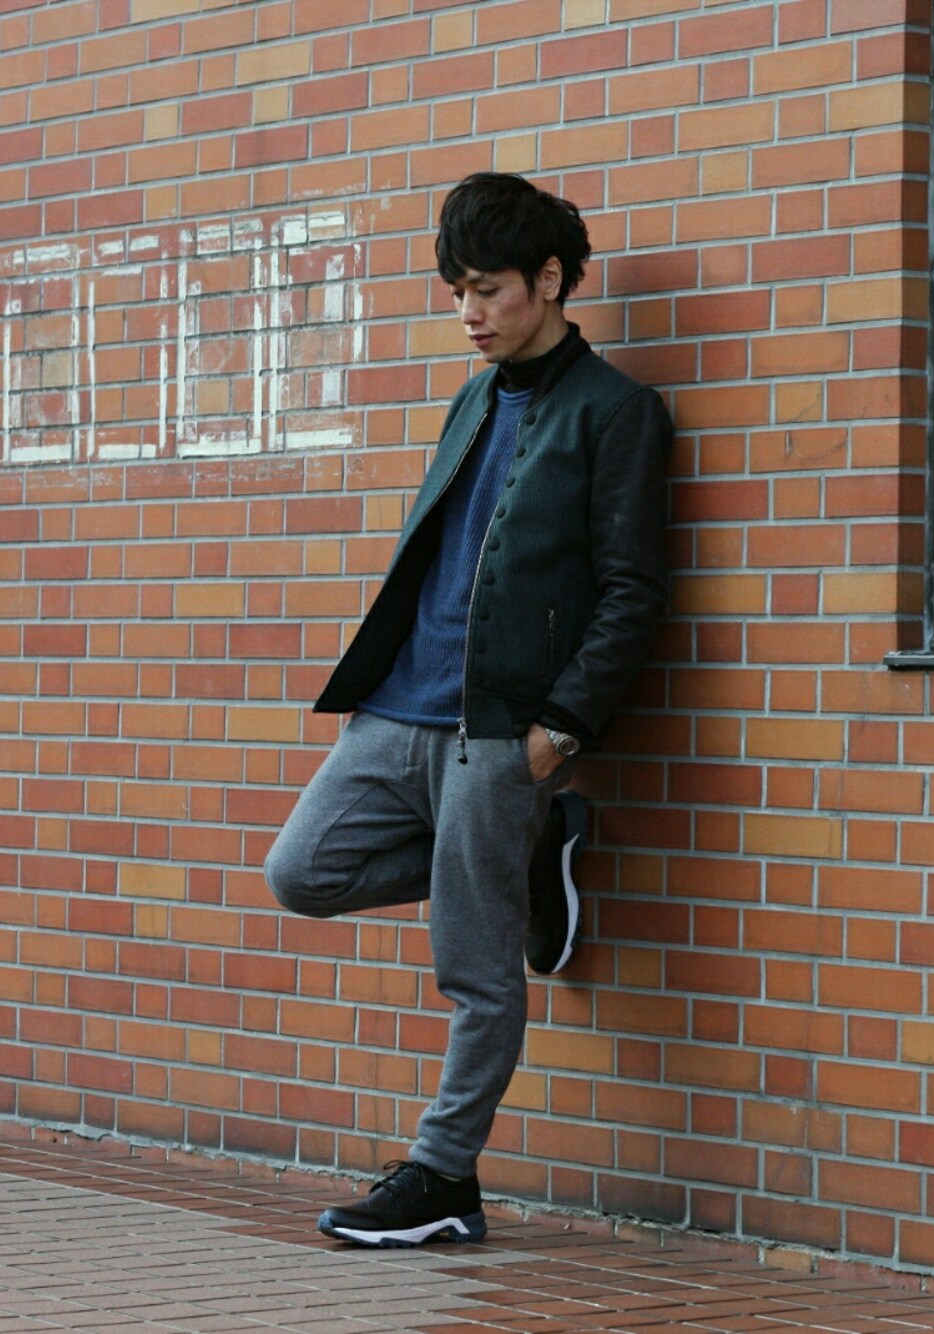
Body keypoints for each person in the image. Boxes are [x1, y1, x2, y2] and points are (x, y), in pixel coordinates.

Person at [264, 172, 672, 1248]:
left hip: (498, 732)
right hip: (398, 710)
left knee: (475, 967)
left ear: (550, 280)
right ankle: (532, 857)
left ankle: (445, 1178)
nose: (469, 313)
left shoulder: (616, 414)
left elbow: (633, 593)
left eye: (488, 289)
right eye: (457, 292)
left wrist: (557, 732)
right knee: (301, 871)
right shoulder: (471, 400)